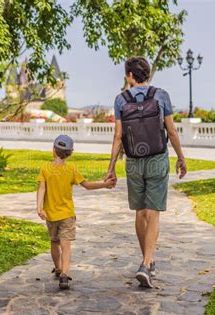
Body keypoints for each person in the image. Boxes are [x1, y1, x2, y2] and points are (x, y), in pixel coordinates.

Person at [106, 56, 187, 288]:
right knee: (153, 212)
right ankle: (147, 261)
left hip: (133, 162)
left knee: (140, 212)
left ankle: (146, 262)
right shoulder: (161, 96)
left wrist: (111, 167)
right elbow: (171, 131)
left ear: (130, 76)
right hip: (157, 159)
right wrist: (181, 158)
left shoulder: (121, 99)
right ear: (147, 74)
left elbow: (118, 136)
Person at [36, 135, 115, 290]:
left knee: (54, 242)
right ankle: (64, 275)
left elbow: (42, 188)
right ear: (70, 153)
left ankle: (58, 269)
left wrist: (39, 208)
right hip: (67, 215)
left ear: (53, 150)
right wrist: (104, 184)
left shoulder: (45, 168)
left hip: (51, 215)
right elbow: (87, 185)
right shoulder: (71, 169)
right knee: (66, 245)